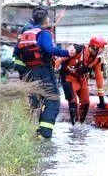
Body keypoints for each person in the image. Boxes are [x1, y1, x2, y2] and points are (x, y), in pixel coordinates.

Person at [14, 7, 72, 139]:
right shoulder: (44, 34)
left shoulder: (26, 34)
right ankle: (44, 134)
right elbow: (49, 49)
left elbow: (17, 52)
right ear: (45, 20)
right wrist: (67, 52)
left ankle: (31, 130)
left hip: (30, 73)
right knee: (53, 101)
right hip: (44, 72)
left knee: (35, 101)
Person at [58, 36, 107, 125]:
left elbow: (99, 77)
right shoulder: (78, 50)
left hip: (81, 79)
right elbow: (60, 59)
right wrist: (53, 68)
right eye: (100, 49)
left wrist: (101, 98)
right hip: (68, 78)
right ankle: (74, 126)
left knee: (86, 102)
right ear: (94, 47)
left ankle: (80, 125)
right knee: (73, 103)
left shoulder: (97, 60)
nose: (101, 52)